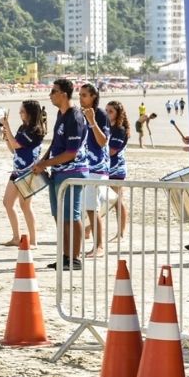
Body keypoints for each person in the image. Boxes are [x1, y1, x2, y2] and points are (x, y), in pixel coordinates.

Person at [33, 78, 88, 271]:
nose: (50, 95)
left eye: (53, 91)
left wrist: (45, 163)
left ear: (64, 94)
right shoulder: (60, 114)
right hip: (58, 171)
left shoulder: (75, 117)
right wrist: (42, 161)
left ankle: (75, 258)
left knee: (71, 216)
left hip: (73, 172)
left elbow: (71, 153)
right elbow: (56, 143)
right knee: (60, 216)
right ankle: (65, 256)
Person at [0, 100, 47, 247]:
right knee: (8, 203)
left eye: (22, 111)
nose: (20, 114)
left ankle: (33, 240)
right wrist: (6, 135)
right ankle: (16, 237)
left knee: (25, 205)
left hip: (29, 173)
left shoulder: (35, 130)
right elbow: (14, 149)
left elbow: (16, 145)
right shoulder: (22, 128)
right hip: (17, 170)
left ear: (30, 113)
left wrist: (6, 125)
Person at [79, 83, 110, 258]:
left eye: (84, 95)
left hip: (97, 167)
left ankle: (99, 246)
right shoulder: (79, 113)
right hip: (84, 165)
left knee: (92, 207)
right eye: (80, 94)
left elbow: (102, 141)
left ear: (93, 97)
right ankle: (93, 242)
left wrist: (92, 122)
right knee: (88, 207)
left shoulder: (100, 114)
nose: (81, 97)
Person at [106, 100, 130, 241]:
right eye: (106, 110)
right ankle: (88, 229)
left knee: (118, 201)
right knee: (101, 199)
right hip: (105, 168)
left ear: (118, 113)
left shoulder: (119, 130)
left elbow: (112, 151)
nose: (107, 114)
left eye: (111, 111)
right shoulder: (106, 128)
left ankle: (120, 233)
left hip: (116, 169)